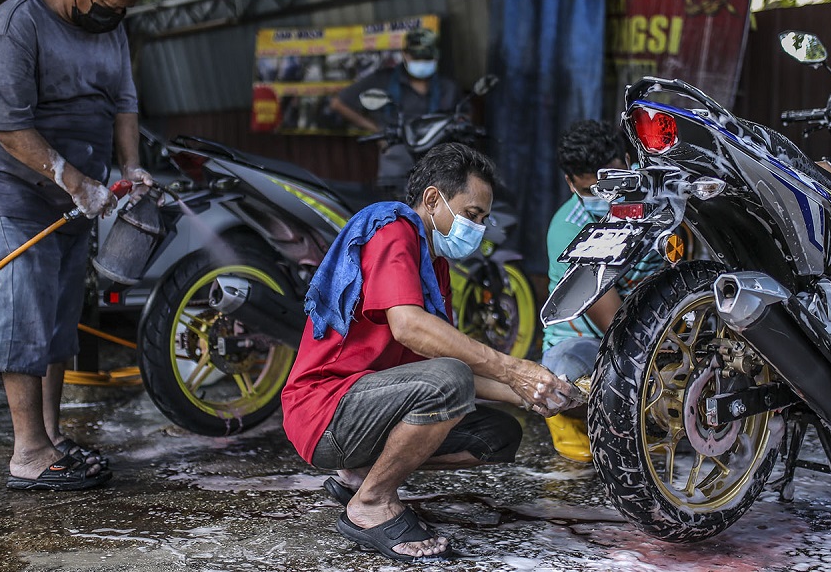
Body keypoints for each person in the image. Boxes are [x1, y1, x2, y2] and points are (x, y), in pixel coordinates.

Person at [281, 142, 582, 562]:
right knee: (451, 380)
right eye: (472, 214)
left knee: (498, 435)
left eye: (483, 219)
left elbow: (435, 370)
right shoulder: (392, 230)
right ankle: (371, 503)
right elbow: (410, 328)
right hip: (326, 411)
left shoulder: (434, 263)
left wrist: (535, 393)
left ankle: (360, 475)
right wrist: (512, 368)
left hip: (370, 406)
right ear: (432, 199)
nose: (477, 227)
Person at [0, 0, 156, 490]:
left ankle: (49, 437)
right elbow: (6, 126)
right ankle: (27, 454)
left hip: (79, 198)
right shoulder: (11, 29)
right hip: (15, 197)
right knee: (22, 319)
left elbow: (124, 102)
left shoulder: (109, 28)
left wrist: (128, 168)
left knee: (56, 324)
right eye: (108, 6)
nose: (113, 20)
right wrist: (73, 181)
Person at [542, 119, 662, 462]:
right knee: (562, 380)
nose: (604, 199)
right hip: (595, 342)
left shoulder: (661, 189)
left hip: (658, 319)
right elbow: (617, 325)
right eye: (591, 191)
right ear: (570, 183)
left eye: (611, 186)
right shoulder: (569, 232)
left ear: (628, 161)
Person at [329, 27, 461, 198]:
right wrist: (378, 131)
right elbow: (338, 103)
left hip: (438, 167)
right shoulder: (383, 80)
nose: (422, 62)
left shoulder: (448, 87)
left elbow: (463, 117)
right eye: (417, 57)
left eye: (426, 58)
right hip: (396, 168)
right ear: (405, 55)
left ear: (436, 57)